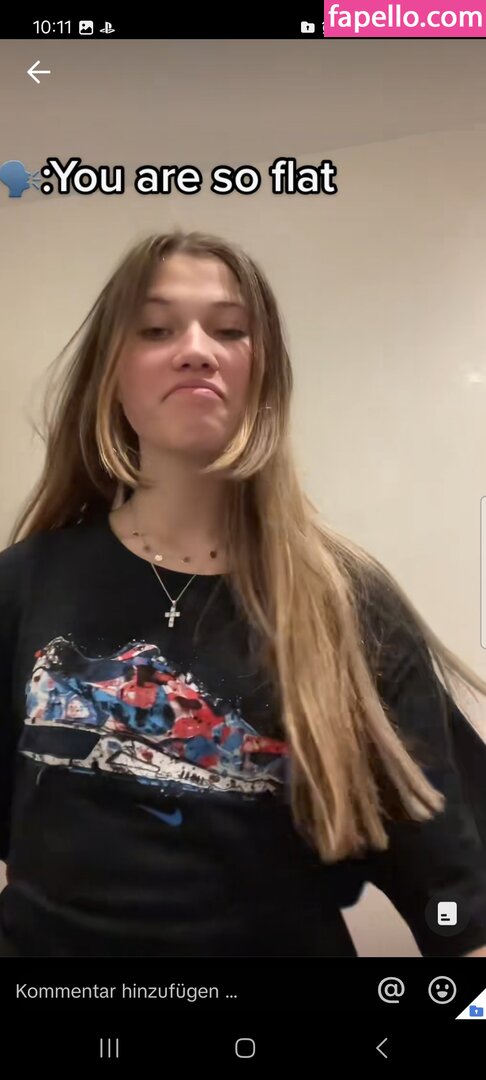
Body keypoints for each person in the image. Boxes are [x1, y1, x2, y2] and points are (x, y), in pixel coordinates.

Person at [0, 229, 485, 959]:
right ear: (111, 376)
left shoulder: (348, 605)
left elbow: (458, 902)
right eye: (157, 329)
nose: (196, 349)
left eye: (229, 331)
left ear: (265, 379)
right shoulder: (24, 584)